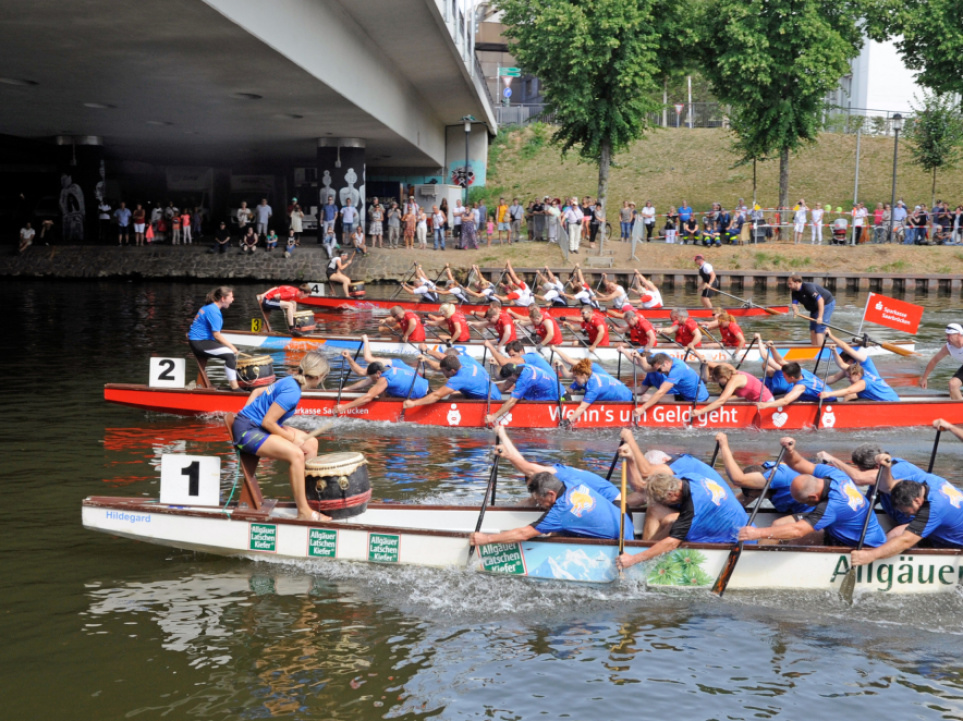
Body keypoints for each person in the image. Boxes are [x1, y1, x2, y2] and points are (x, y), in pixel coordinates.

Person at [232, 351, 330, 522]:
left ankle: (307, 501)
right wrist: (292, 440)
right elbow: (268, 423)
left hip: (256, 425)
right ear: (318, 376)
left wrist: (244, 412)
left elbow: (256, 392)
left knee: (311, 443)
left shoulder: (289, 379)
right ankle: (304, 513)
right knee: (296, 454)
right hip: (248, 431)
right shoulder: (292, 392)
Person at [736, 437, 886, 547]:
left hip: (863, 545)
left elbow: (798, 530)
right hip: (840, 530)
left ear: (813, 496)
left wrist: (757, 533)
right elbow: (798, 463)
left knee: (778, 530)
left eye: (805, 502)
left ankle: (756, 565)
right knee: (780, 529)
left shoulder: (830, 507)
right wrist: (790, 451)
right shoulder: (833, 473)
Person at [616, 468, 747, 572]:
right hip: (716, 518)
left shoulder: (693, 505)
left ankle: (639, 559)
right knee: (655, 508)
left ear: (671, 494)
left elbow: (673, 543)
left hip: (732, 537)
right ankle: (646, 552)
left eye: (665, 500)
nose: (666, 503)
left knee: (673, 523)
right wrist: (619, 502)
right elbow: (644, 488)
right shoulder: (686, 479)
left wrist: (633, 559)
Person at [470, 467, 630, 549]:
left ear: (551, 494)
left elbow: (523, 534)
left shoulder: (560, 511)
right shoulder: (572, 482)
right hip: (626, 523)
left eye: (540, 501)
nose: (540, 505)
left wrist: (487, 539)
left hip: (620, 543)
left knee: (543, 533)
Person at [493, 424, 635, 505]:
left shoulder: (556, 474)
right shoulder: (550, 481)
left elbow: (526, 468)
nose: (534, 492)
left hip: (614, 506)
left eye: (532, 487)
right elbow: (526, 468)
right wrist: (503, 435)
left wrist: (507, 453)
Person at [714, 432, 811, 514]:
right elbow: (738, 503)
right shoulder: (763, 480)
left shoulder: (776, 476)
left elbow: (737, 479)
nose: (751, 497)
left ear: (758, 488)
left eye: (752, 495)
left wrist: (724, 444)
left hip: (816, 513)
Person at [334, 336, 428, 415]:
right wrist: (347, 389)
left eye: (375, 378)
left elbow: (367, 398)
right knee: (382, 390)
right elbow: (366, 378)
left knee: (379, 390)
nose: (375, 380)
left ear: (378, 373)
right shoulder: (388, 368)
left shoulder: (385, 378)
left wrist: (344, 407)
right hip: (425, 387)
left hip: (421, 397)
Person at [402, 347, 501, 411]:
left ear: (452, 371)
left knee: (448, 396)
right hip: (493, 392)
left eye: (444, 371)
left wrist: (414, 403)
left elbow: (437, 395)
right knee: (452, 395)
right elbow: (442, 357)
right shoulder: (465, 360)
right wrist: (426, 355)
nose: (443, 373)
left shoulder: (459, 379)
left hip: (491, 403)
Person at [553, 353, 633, 428]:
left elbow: (582, 407)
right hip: (623, 392)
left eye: (575, 378)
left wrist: (568, 420)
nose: (574, 380)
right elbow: (568, 378)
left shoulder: (594, 387)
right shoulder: (588, 376)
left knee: (584, 401)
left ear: (584, 375)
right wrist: (561, 366)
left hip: (626, 400)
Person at [187, 286, 242, 391]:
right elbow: (217, 335)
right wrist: (232, 347)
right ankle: (235, 388)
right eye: (231, 297)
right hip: (200, 342)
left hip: (198, 341)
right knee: (229, 355)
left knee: (227, 352)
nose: (233, 299)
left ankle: (202, 385)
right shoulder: (214, 311)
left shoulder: (209, 307)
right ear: (223, 299)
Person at [819, 331, 899, 402]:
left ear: (858, 375)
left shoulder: (863, 368)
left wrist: (831, 336)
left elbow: (848, 390)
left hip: (889, 402)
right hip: (872, 394)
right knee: (849, 396)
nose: (849, 380)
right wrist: (834, 352)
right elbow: (840, 367)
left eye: (850, 378)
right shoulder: (854, 370)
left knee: (849, 394)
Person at [632, 351, 709, 420]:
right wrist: (638, 356)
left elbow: (661, 392)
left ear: (666, 363)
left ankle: (646, 418)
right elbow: (646, 368)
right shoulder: (671, 361)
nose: (659, 373)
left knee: (649, 398)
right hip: (684, 396)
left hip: (698, 400)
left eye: (659, 370)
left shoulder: (677, 369)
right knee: (646, 397)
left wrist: (643, 408)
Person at [689, 358, 772, 420]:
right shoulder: (732, 372)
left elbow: (721, 401)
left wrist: (701, 411)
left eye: (718, 380)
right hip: (753, 401)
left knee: (721, 400)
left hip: (766, 403)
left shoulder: (734, 380)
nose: (718, 382)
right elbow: (708, 378)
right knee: (724, 399)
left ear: (724, 377)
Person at [486, 361, 561, 426]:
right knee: (522, 394)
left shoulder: (523, 380)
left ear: (512, 376)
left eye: (508, 379)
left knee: (517, 398)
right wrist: (495, 366)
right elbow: (504, 386)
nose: (508, 381)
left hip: (554, 396)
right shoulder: (520, 367)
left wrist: (494, 416)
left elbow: (511, 402)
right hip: (542, 389)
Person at [755, 352, 835, 410]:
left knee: (780, 399)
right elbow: (780, 361)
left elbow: (785, 401)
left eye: (785, 377)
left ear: (792, 378)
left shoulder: (800, 386)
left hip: (829, 403)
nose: (783, 378)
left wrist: (765, 405)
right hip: (825, 395)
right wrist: (772, 348)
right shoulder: (802, 371)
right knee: (776, 398)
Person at [787, 275, 835, 346]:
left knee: (819, 330)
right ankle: (814, 349)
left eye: (790, 283)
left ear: (796, 282)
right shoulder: (794, 292)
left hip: (826, 304)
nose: (789, 286)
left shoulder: (808, 287)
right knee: (812, 330)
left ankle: (820, 352)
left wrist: (820, 317)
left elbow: (821, 300)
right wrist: (795, 310)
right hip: (814, 308)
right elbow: (794, 304)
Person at [920, 323, 963, 400]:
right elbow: (934, 361)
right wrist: (924, 378)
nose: (947, 338)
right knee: (953, 384)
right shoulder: (948, 348)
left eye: (949, 335)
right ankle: (959, 409)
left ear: (959, 334)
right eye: (946, 335)